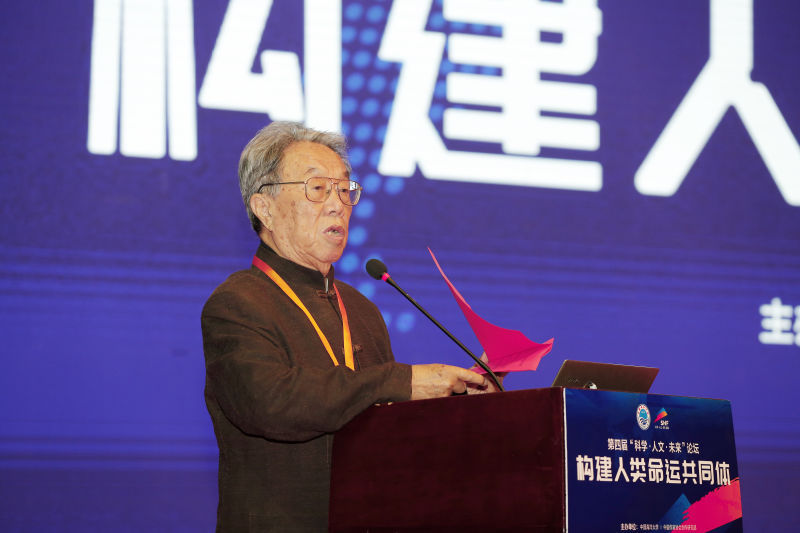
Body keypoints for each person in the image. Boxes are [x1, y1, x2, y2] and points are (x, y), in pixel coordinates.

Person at [201, 121, 492, 532]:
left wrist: (462, 400)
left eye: (344, 190)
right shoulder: (238, 302)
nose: (338, 204)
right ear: (264, 208)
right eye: (318, 188)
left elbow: (391, 427)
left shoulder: (361, 310)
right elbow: (271, 403)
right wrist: (400, 380)